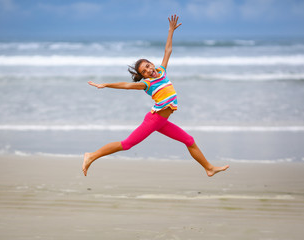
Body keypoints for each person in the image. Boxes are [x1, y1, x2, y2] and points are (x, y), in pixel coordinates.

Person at [83, 15, 229, 177]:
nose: (148, 71)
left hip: (162, 122)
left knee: (189, 141)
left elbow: (168, 50)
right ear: (144, 76)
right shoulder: (147, 84)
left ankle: (209, 168)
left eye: (147, 66)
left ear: (152, 63)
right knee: (127, 144)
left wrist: (171, 31)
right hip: (154, 120)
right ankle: (91, 155)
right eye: (144, 72)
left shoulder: (161, 71)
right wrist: (106, 84)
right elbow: (127, 85)